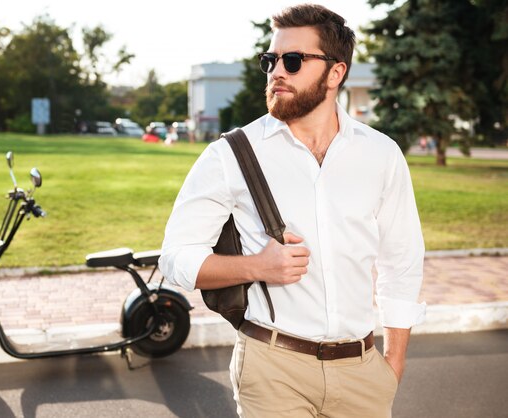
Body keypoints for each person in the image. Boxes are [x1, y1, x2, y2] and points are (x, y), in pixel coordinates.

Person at [159, 4, 425, 417]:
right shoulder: (230, 155)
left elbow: (402, 262)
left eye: (293, 60)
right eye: (271, 60)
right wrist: (257, 267)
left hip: (363, 372)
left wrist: (393, 364)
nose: (277, 71)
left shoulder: (381, 154)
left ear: (335, 73)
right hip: (272, 369)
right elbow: (175, 257)